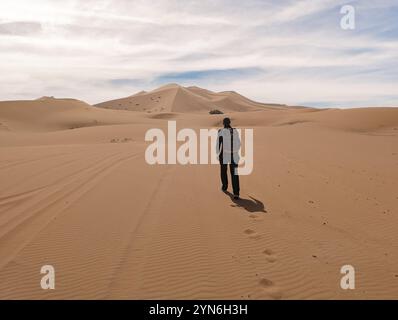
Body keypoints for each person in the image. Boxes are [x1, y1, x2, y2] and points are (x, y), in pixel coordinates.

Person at [217, 117, 240, 199]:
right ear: (230, 123)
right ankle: (236, 193)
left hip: (224, 155)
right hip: (234, 155)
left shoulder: (220, 131)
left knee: (223, 171)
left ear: (223, 123)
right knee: (234, 174)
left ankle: (224, 186)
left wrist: (218, 155)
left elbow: (218, 145)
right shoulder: (235, 131)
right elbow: (239, 143)